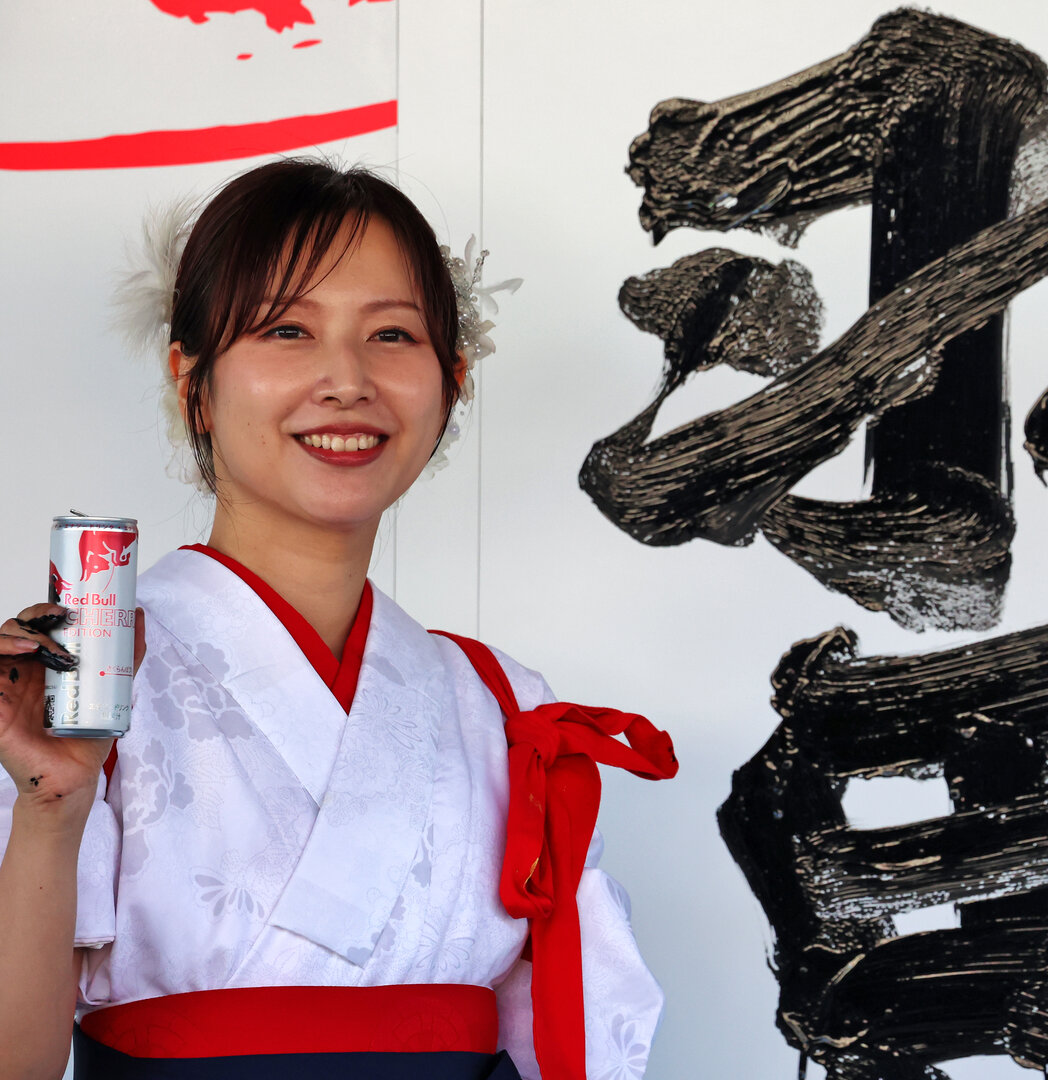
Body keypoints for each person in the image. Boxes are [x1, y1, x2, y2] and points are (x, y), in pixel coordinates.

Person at [0, 159, 676, 1080]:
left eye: (392, 334)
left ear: (454, 378)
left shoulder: (501, 701)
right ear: (191, 376)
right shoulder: (71, 689)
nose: (346, 380)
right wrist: (52, 805)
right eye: (286, 329)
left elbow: (565, 1038)